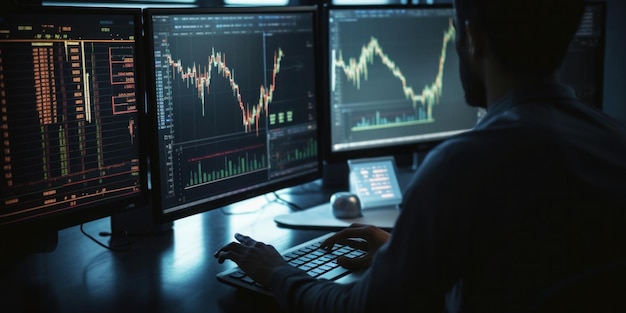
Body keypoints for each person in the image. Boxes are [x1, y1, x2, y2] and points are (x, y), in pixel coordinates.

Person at [215, 0, 626, 311]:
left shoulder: (464, 164)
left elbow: (360, 309)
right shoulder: (614, 140)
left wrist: (277, 272)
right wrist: (408, 250)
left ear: (473, 39)